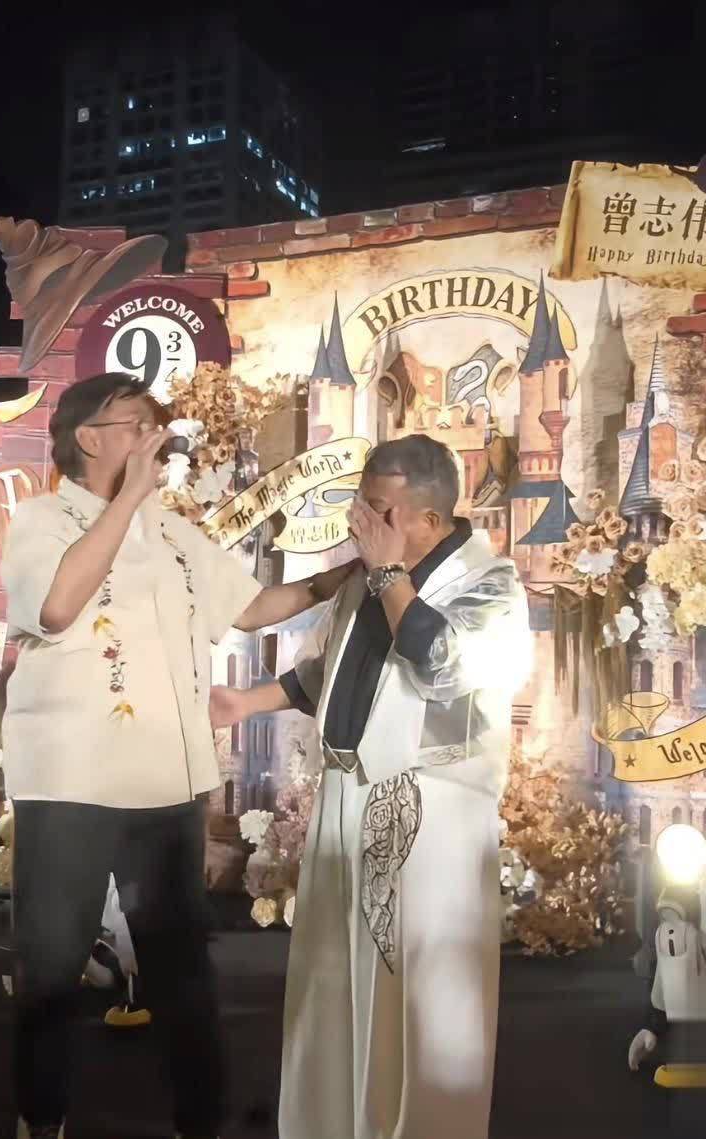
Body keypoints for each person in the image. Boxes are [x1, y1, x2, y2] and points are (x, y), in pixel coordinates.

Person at [0, 372, 355, 1139]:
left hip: (166, 783)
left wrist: (340, 577)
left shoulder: (172, 532)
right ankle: (42, 1117)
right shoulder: (41, 519)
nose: (153, 440)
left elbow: (249, 607)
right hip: (70, 780)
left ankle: (201, 1121)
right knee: (52, 968)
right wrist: (126, 498)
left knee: (183, 970)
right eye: (136, 425)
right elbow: (56, 607)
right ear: (88, 438)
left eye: (155, 426)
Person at [211, 434, 531, 1139]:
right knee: (336, 982)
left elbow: (441, 662)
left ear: (429, 518)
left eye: (380, 510)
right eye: (362, 505)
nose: (363, 522)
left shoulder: (491, 585)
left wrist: (386, 574)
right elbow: (328, 673)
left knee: (418, 995)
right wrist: (243, 703)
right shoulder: (371, 576)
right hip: (347, 798)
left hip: (431, 813)